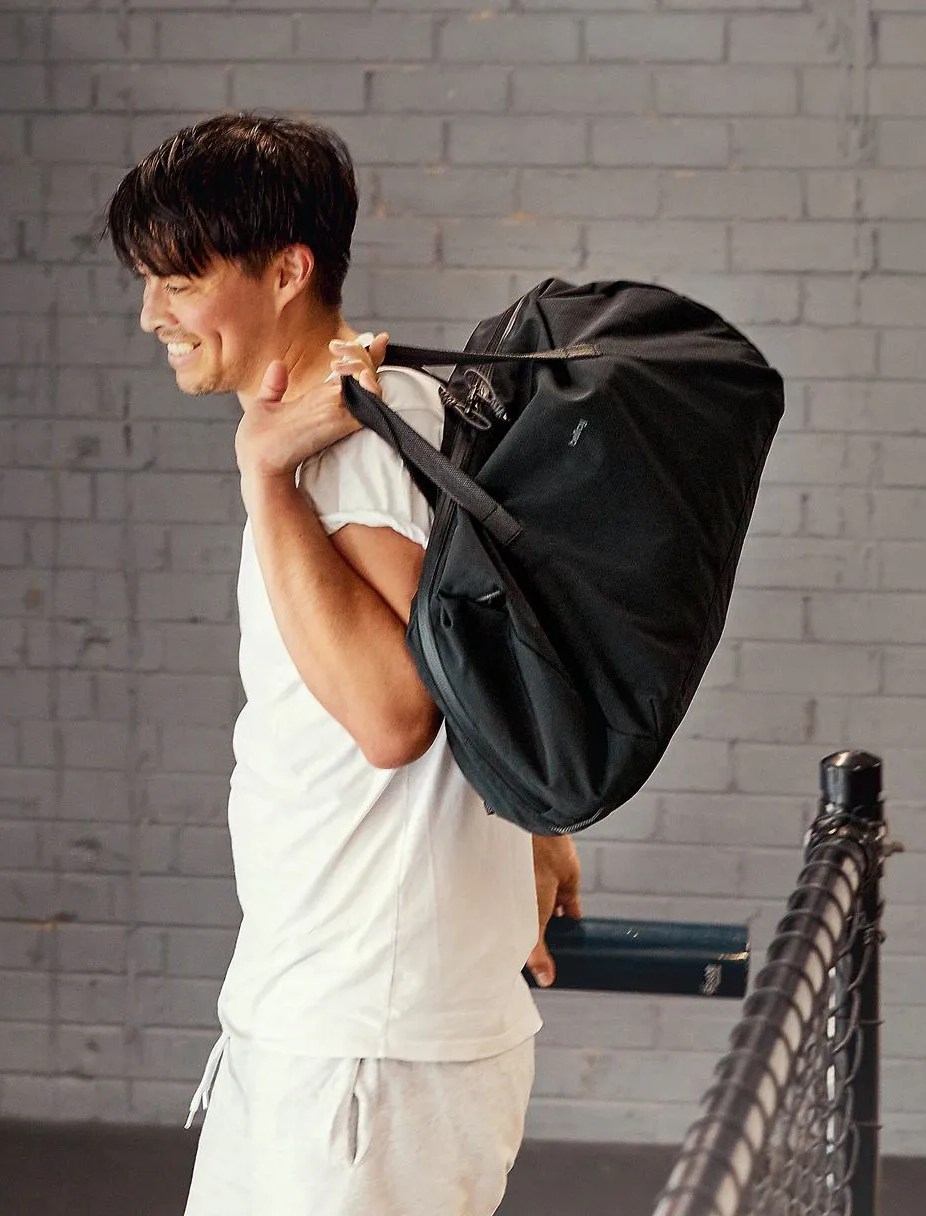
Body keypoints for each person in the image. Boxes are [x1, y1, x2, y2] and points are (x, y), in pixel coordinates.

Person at [105, 113, 582, 1216]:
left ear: (287, 270)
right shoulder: (390, 415)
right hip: (323, 1021)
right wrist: (535, 827)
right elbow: (479, 662)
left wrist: (263, 478)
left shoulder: (351, 441)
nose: (152, 315)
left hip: (365, 1048)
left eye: (178, 281)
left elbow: (393, 715)